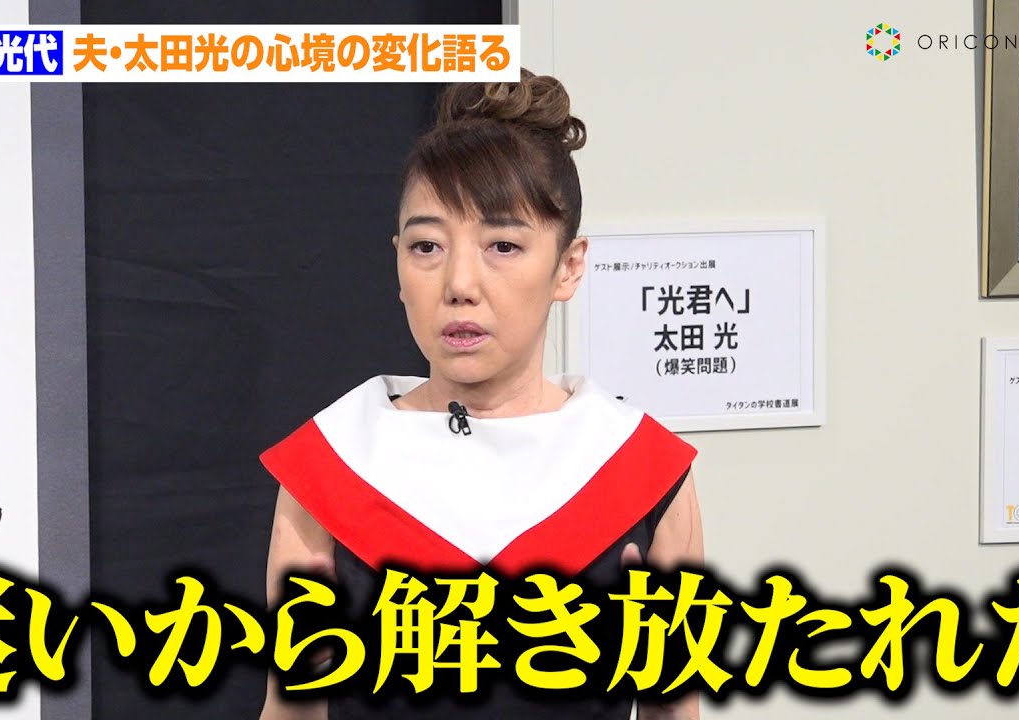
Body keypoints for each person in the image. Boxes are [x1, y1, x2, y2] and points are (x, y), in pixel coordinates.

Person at [259, 68, 703, 720]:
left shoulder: (642, 469)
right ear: (398, 264)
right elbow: (291, 710)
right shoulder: (332, 463)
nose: (460, 283)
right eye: (427, 246)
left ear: (568, 266)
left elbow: (674, 712)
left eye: (502, 245)